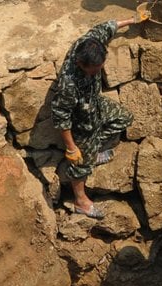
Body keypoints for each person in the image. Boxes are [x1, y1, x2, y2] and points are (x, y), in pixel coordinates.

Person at [52, 14, 146, 220]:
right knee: (80, 164)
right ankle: (81, 201)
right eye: (93, 70)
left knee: (123, 117)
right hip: (80, 120)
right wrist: (71, 147)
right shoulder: (68, 84)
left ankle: (95, 150)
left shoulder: (90, 43)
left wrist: (132, 20)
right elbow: (61, 117)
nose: (97, 72)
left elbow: (106, 27)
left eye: (100, 67)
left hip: (94, 104)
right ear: (80, 63)